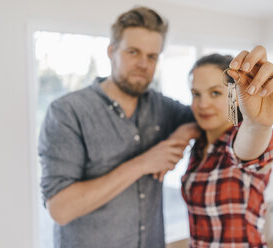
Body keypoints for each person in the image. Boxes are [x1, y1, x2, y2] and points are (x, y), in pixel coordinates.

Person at [38, 6, 200, 248]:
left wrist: (185, 130)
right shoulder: (67, 112)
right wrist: (145, 162)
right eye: (133, 52)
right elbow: (61, 208)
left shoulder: (162, 107)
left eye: (152, 56)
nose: (143, 64)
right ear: (112, 51)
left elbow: (208, 119)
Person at [181, 49, 273, 247]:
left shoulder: (239, 139)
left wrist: (259, 126)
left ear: (235, 96)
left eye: (215, 93)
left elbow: (247, 149)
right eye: (196, 94)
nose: (203, 104)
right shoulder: (200, 147)